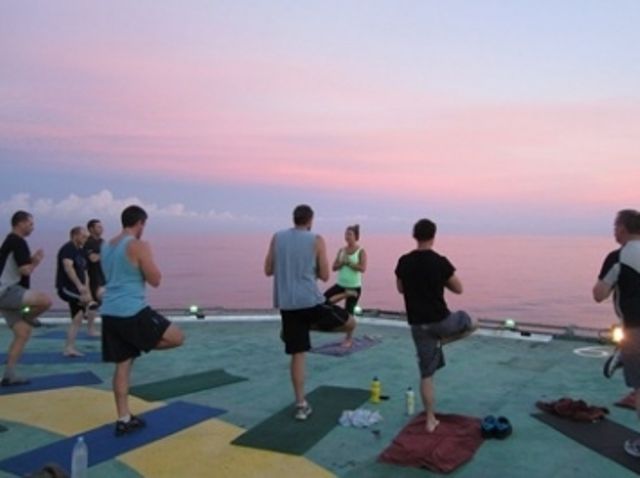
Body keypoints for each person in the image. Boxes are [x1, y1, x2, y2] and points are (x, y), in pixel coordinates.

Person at [264, 204, 356, 420]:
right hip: (310, 302)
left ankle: (301, 404)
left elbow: (268, 270)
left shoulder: (277, 238)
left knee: (298, 354)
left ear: (294, 219)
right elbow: (325, 275)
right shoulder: (316, 239)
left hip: (287, 306)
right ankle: (307, 328)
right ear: (310, 220)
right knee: (350, 323)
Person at [101, 205, 184, 436]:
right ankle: (139, 343)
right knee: (177, 337)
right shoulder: (138, 245)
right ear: (140, 223)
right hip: (132, 311)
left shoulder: (106, 246)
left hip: (110, 312)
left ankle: (123, 418)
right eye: (143, 225)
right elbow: (155, 279)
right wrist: (148, 258)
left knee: (123, 366)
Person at [395, 218, 476, 432]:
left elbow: (401, 289)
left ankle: (430, 420)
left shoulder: (404, 261)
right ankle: (444, 341)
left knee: (426, 375)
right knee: (473, 322)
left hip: (418, 326)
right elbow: (458, 289)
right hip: (441, 322)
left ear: (415, 236)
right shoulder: (439, 261)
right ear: (433, 236)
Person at [592, 208, 640, 457]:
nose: (614, 231)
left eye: (614, 227)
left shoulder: (618, 257)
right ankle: (622, 354)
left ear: (622, 228)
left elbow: (599, 294)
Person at [0, 211, 52, 385]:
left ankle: (9, 374)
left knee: (23, 333)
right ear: (20, 223)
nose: (32, 227)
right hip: (7, 291)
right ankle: (28, 314)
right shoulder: (18, 241)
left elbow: (17, 266)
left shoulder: (10, 242)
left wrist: (31, 260)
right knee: (45, 301)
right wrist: (36, 261)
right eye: (30, 224)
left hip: (5, 294)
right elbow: (25, 270)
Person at [324, 224, 367, 348]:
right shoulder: (341, 251)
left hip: (354, 287)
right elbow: (334, 267)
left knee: (349, 313)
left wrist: (350, 263)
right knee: (324, 301)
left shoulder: (361, 251)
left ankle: (348, 339)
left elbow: (363, 268)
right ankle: (344, 297)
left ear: (356, 237)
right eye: (346, 234)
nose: (347, 236)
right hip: (341, 285)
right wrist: (341, 263)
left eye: (349, 234)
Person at [56, 226, 93, 356]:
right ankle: (68, 348)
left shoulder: (81, 251)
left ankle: (69, 348)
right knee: (80, 312)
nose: (85, 239)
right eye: (83, 237)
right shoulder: (68, 249)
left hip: (78, 289)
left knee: (77, 318)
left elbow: (85, 273)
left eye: (87, 237)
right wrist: (79, 287)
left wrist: (87, 290)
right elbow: (68, 268)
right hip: (67, 288)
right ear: (75, 235)